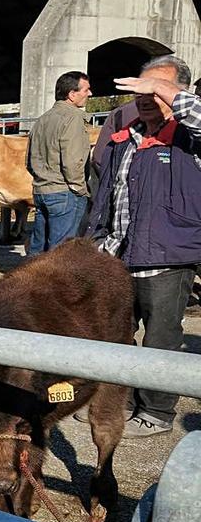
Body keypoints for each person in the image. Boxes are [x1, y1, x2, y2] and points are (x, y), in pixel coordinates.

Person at [87, 56, 201, 437]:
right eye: (142, 88)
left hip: (167, 256)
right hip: (118, 255)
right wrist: (98, 241)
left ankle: (156, 411)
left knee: (161, 336)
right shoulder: (125, 137)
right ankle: (122, 401)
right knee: (116, 332)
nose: (147, 96)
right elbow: (106, 193)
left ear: (178, 92)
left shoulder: (188, 136)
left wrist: (170, 92)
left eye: (157, 89)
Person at [27, 70, 91, 255]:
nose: (90, 93)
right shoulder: (73, 118)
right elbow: (72, 162)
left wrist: (42, 180)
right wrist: (80, 189)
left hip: (41, 191)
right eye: (86, 90)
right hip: (65, 192)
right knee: (61, 254)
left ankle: (32, 283)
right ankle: (56, 284)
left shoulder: (42, 120)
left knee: (38, 250)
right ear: (72, 94)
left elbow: (29, 161)